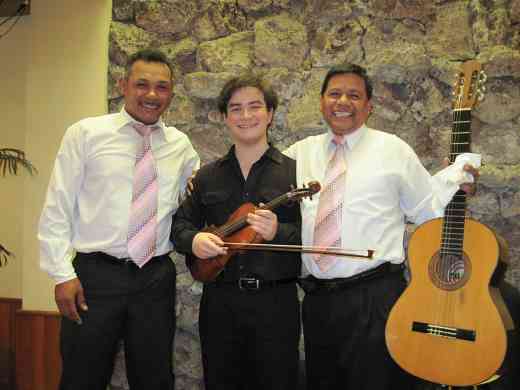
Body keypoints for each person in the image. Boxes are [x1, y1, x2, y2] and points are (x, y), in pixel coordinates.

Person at [284, 63, 479, 390]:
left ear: (369, 106)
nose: (343, 101)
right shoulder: (296, 155)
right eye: (334, 93)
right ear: (321, 102)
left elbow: (427, 207)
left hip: (375, 297)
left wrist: (455, 181)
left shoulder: (393, 150)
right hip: (317, 301)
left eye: (354, 95)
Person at [38, 49, 200, 390]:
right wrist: (61, 273)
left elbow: (198, 199)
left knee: (154, 377)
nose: (152, 95)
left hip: (155, 278)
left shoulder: (180, 146)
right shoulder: (85, 134)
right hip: (94, 278)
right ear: (123, 84)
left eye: (162, 87)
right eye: (142, 84)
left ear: (171, 93)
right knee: (82, 376)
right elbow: (58, 205)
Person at [171, 74, 302, 390]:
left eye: (254, 107)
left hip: (276, 303)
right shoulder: (206, 177)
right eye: (236, 109)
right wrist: (195, 240)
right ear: (225, 118)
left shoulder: (296, 172)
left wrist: (279, 231)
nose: (246, 116)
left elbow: (315, 236)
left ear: (269, 114)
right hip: (220, 304)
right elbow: (179, 227)